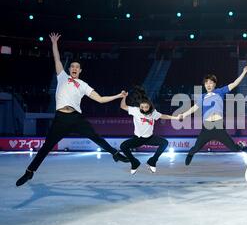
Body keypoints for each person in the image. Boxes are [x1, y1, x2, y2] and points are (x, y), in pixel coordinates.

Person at [16, 33, 129, 187]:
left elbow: (100, 99)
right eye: (72, 66)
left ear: (80, 70)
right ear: (69, 69)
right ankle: (29, 172)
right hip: (61, 119)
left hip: (76, 118)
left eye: (77, 67)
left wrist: (118, 95)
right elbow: (56, 58)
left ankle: (115, 154)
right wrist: (54, 43)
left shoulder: (83, 84)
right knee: (46, 147)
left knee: (95, 136)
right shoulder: (62, 77)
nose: (75, 68)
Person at [181, 68, 247, 165]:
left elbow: (234, 83)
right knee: (196, 148)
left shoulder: (220, 91)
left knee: (234, 148)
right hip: (207, 127)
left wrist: (244, 72)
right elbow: (194, 108)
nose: (208, 85)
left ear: (214, 84)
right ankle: (190, 154)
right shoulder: (202, 96)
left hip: (219, 126)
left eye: (210, 82)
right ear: (204, 85)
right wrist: (184, 114)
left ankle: (242, 146)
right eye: (206, 83)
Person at [119, 89, 180, 174]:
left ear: (150, 106)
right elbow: (123, 106)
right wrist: (124, 97)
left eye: (146, 107)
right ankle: (134, 162)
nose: (144, 109)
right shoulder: (135, 110)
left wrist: (176, 118)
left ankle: (152, 161)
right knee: (123, 146)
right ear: (140, 106)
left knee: (164, 143)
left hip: (149, 138)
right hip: (138, 138)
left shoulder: (153, 113)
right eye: (142, 107)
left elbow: (163, 116)